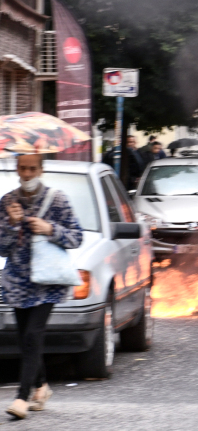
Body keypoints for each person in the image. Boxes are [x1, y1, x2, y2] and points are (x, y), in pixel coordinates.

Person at [0, 154, 83, 419]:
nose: (27, 174)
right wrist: (12, 226)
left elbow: (76, 237)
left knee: (32, 336)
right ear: (17, 169)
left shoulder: (57, 199)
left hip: (46, 283)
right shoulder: (7, 202)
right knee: (25, 339)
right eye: (23, 168)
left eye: (32, 168)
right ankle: (42, 387)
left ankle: (22, 398)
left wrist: (50, 229)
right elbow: (1, 248)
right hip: (17, 282)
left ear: (41, 170)